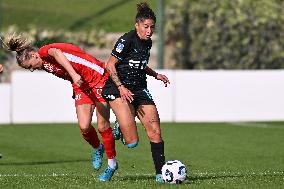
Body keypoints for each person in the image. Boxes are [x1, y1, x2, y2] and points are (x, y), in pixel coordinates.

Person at [4, 35, 117, 181]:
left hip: (96, 78)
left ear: (33, 55)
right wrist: (75, 78)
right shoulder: (43, 64)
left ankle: (112, 164)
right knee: (84, 127)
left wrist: (73, 74)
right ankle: (98, 148)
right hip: (80, 85)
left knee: (102, 126)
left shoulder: (45, 51)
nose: (32, 70)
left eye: (30, 66)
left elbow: (58, 53)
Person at [102, 2, 170, 183]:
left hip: (139, 88)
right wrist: (121, 87)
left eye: (152, 27)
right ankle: (120, 127)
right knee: (132, 143)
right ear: (137, 25)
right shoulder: (126, 40)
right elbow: (110, 65)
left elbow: (139, 64)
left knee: (155, 130)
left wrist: (155, 74)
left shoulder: (147, 43)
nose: (149, 31)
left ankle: (160, 173)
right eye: (146, 27)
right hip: (117, 88)